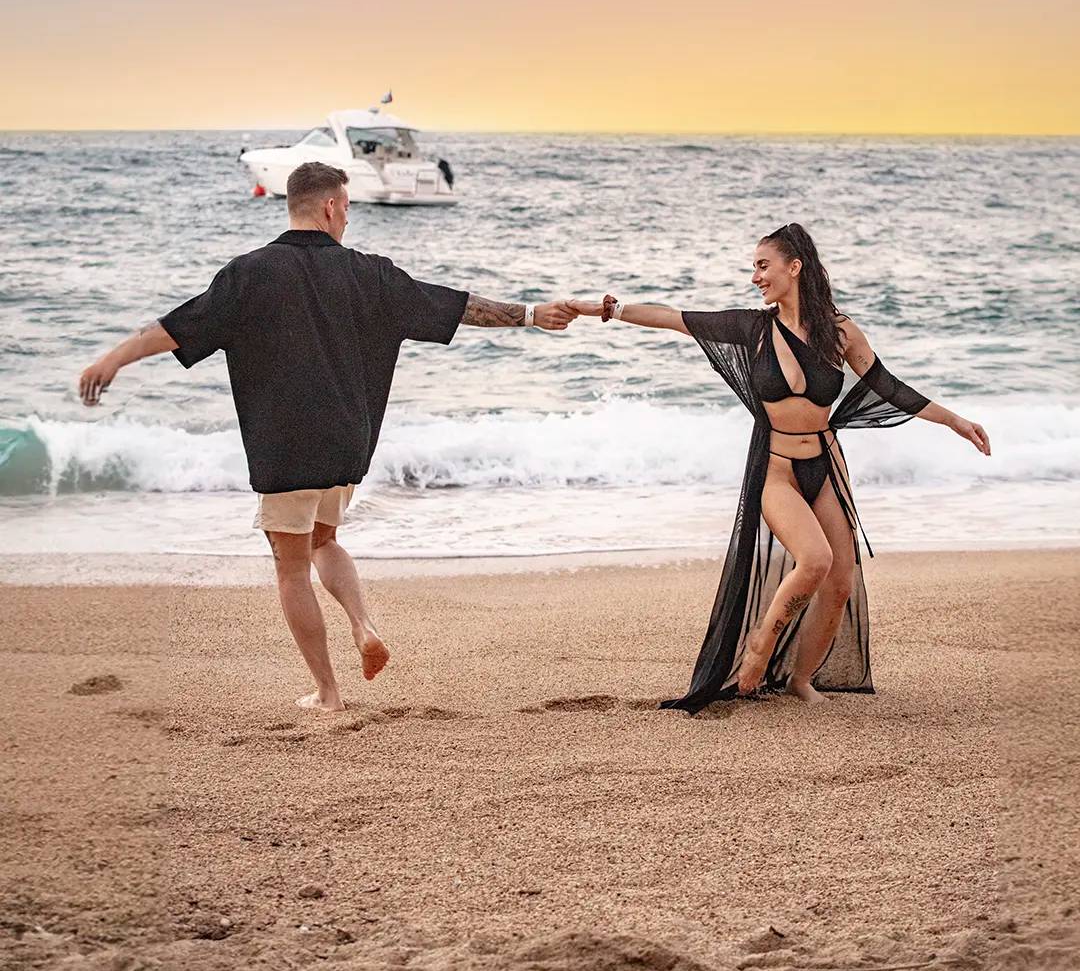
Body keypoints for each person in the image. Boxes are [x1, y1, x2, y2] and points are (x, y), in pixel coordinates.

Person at [78, 160, 578, 713]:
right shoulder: (372, 274)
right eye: (347, 207)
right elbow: (455, 307)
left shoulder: (248, 274)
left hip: (285, 445)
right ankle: (363, 625)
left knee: (291, 566)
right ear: (330, 206)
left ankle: (328, 692)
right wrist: (531, 314)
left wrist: (111, 360)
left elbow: (173, 330)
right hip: (348, 442)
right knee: (324, 541)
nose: (348, 218)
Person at [570, 223, 990, 712]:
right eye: (754, 267)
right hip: (778, 470)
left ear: (795, 267)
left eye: (762, 265)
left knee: (839, 583)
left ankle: (801, 679)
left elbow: (888, 386)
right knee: (814, 561)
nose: (755, 277)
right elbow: (674, 318)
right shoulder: (753, 329)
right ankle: (760, 645)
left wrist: (954, 421)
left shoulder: (839, 332)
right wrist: (610, 309)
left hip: (826, 466)